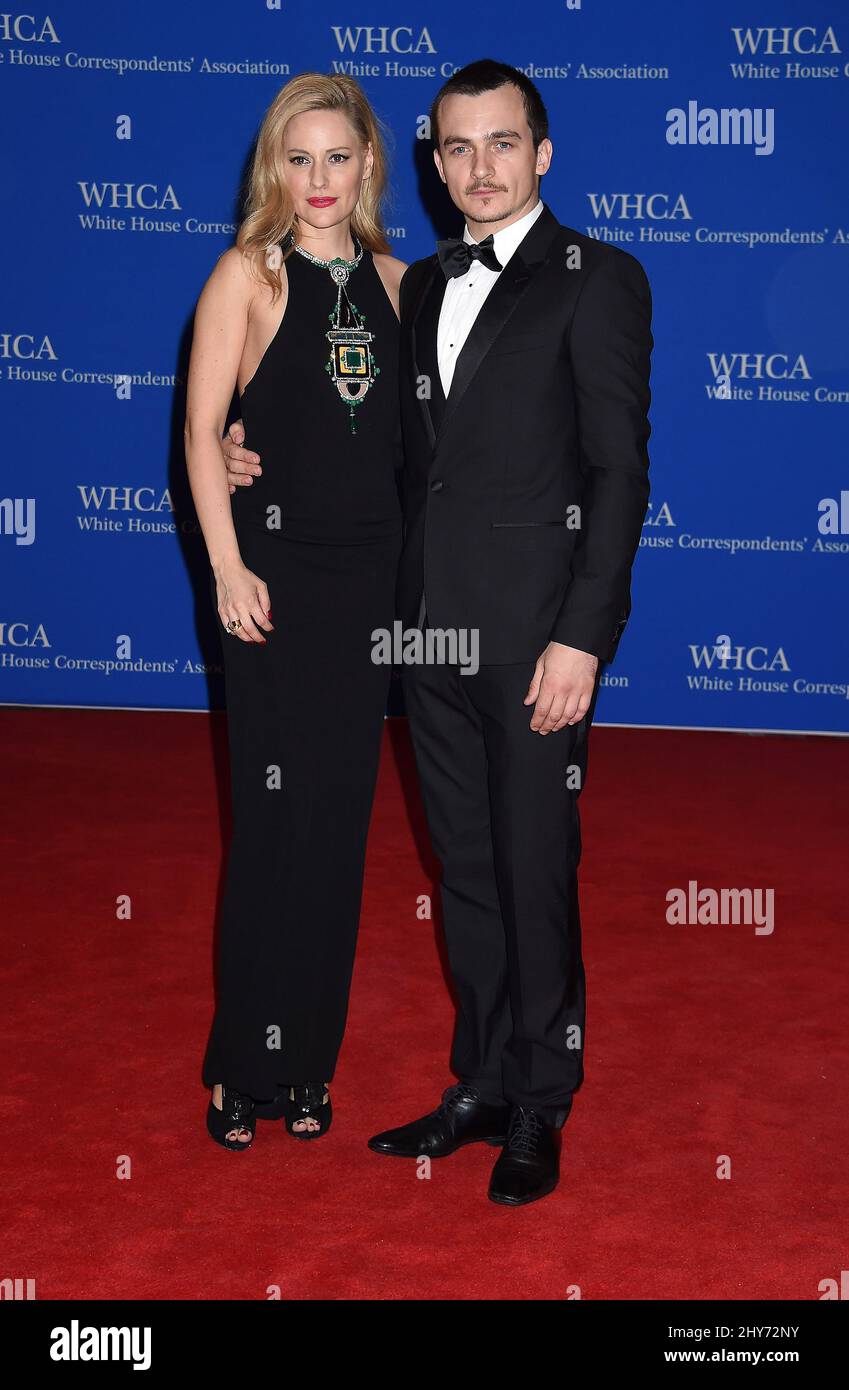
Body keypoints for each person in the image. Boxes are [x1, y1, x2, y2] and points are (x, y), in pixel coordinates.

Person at [224, 57, 653, 1205]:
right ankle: (481, 1083)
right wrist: (235, 444)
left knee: (534, 866)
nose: (479, 168)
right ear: (433, 159)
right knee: (464, 867)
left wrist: (584, 636)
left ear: (542, 150)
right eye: (456, 148)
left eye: (502, 143)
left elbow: (617, 473)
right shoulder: (414, 289)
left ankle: (542, 1103)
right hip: (425, 638)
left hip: (536, 642)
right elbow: (361, 433)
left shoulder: (596, 278)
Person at [184, 72, 406, 1150]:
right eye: (299, 158)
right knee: (271, 826)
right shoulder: (247, 275)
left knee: (338, 834)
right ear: (276, 167)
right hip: (269, 587)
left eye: (339, 157)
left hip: (368, 596)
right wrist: (227, 568)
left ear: (369, 163)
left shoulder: (406, 286)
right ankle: (240, 1068)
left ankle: (309, 1066)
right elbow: (199, 436)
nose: (319, 181)